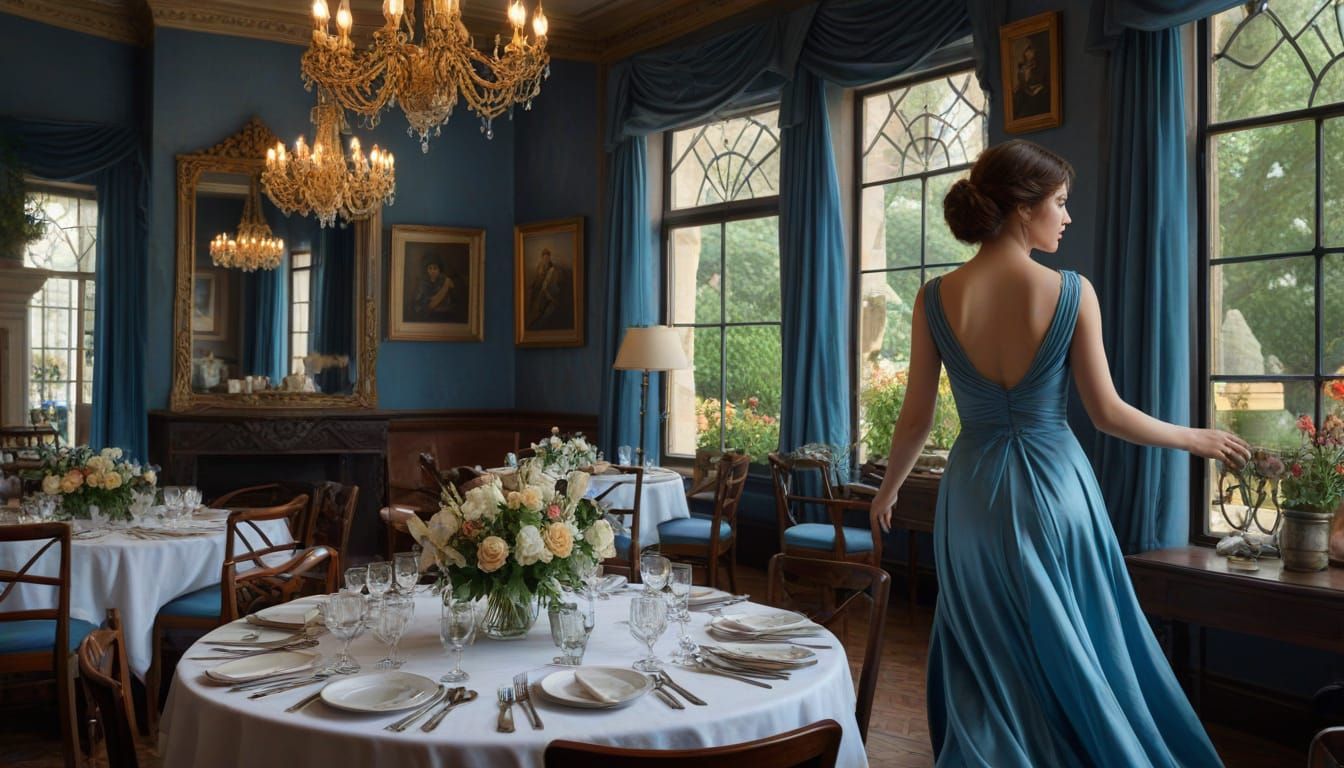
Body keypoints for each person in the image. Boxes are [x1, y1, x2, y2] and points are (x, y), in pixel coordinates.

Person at [866, 139, 1249, 767]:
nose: (1067, 217)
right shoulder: (1071, 291)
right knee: (1073, 637)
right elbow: (1107, 413)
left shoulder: (935, 297)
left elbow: (916, 420)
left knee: (988, 647)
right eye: (1061, 202)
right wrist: (1193, 438)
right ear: (1023, 207)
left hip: (972, 495)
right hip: (1056, 488)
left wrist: (888, 490)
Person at [1012, 37, 1051, 118]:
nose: (1033, 51)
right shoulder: (1018, 95)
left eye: (1032, 48)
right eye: (1029, 49)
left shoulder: (1045, 91)